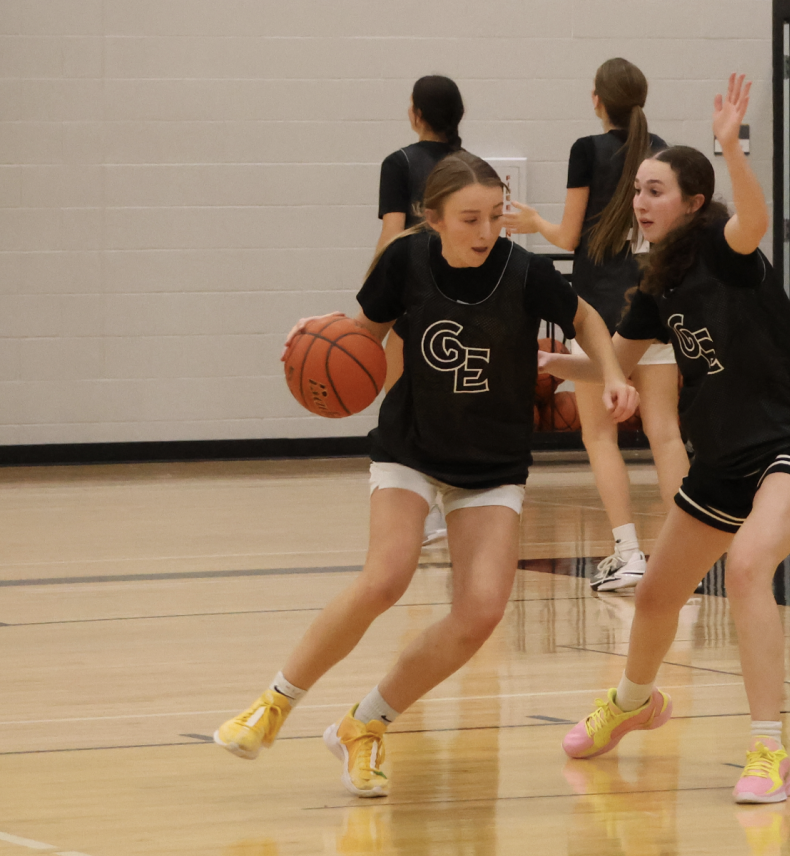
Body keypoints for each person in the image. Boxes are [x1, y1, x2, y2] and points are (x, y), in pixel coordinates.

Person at [215, 153, 637, 798]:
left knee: (480, 613)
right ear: (433, 219)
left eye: (496, 216)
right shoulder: (405, 262)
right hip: (412, 447)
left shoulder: (522, 272)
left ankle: (366, 723)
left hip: (491, 462)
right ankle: (274, 703)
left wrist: (609, 373)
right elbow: (359, 337)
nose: (486, 230)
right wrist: (312, 338)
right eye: (470, 218)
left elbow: (585, 318)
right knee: (386, 578)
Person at [543, 76, 790, 804]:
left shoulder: (722, 246)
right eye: (638, 190)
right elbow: (614, 358)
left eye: (655, 191)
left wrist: (732, 150)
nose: (641, 202)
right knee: (654, 597)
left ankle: (769, 751)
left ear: (693, 204)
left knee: (746, 569)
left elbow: (756, 221)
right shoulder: (656, 285)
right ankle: (634, 701)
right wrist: (551, 363)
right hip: (727, 454)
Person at [503, 58, 689, 592]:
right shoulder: (664, 152)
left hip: (600, 318)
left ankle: (628, 551)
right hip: (653, 305)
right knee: (666, 434)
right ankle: (683, 554)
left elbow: (566, 238)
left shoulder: (587, 150)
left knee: (600, 435)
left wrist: (535, 220)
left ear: (597, 101)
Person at [377, 75, 465, 544]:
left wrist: (374, 293)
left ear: (415, 114)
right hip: (466, 298)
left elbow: (393, 236)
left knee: (401, 407)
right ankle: (460, 508)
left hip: (414, 296)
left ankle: (424, 516)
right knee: (455, 406)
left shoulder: (400, 163)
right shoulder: (474, 167)